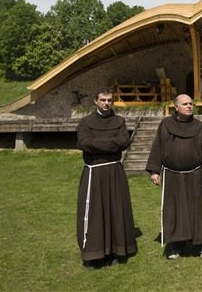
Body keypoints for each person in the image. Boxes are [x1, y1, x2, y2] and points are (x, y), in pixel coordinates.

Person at [146, 94, 202, 260]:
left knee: (198, 209)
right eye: (185, 104)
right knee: (175, 210)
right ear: (176, 106)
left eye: (191, 103)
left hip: (195, 174)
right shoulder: (166, 124)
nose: (189, 106)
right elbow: (158, 147)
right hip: (172, 175)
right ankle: (176, 245)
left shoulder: (198, 126)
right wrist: (155, 170)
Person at [76, 86, 137, 269]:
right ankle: (94, 254)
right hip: (94, 173)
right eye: (103, 100)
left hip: (114, 171)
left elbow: (124, 141)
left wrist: (98, 144)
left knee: (115, 210)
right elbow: (84, 143)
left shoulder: (119, 121)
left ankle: (115, 250)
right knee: (95, 212)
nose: (106, 103)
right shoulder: (86, 122)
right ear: (96, 101)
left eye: (109, 100)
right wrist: (111, 144)